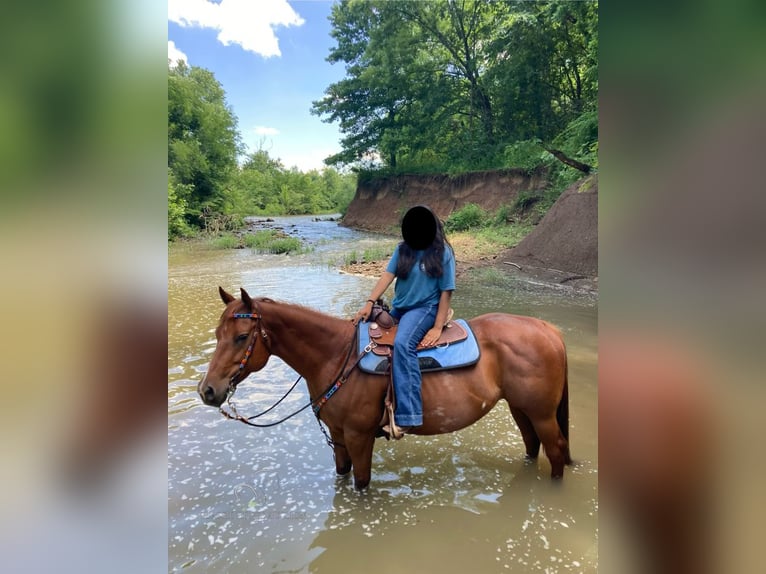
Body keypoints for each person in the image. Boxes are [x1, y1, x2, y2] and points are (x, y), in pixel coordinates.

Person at [354, 205, 456, 438]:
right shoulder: (403, 250)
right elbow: (387, 277)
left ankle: (409, 415)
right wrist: (369, 302)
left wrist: (438, 327)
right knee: (362, 329)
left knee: (402, 345)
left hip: (425, 308)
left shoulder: (443, 253)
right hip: (400, 307)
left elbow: (446, 292)